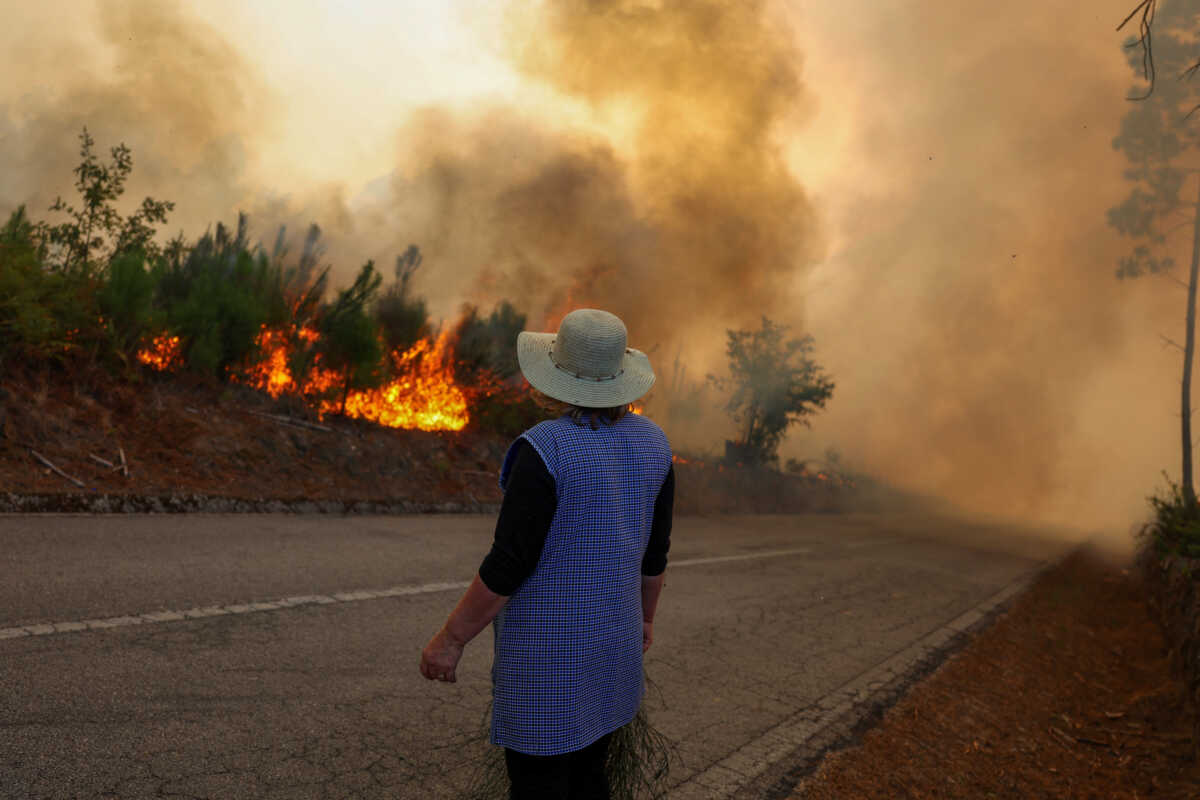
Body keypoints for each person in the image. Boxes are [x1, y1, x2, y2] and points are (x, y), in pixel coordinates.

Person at [419, 307, 675, 800]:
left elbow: (508, 565)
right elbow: (654, 554)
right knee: (589, 778)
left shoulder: (545, 450)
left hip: (548, 664)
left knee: (539, 785)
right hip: (613, 651)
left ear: (555, 377)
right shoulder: (654, 444)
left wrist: (451, 640)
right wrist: (645, 620)